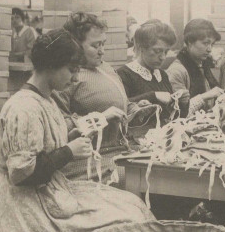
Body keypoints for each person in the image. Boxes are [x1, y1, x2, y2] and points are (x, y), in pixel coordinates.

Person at [0, 29, 154, 232]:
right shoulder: (23, 107)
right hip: (28, 207)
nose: (74, 75)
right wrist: (68, 152)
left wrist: (85, 130)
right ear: (51, 67)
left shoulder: (45, 99)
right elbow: (21, 174)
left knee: (131, 205)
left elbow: (45, 145)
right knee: (117, 223)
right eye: (71, 69)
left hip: (51, 192)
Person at [53, 12, 156, 182]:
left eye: (103, 44)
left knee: (161, 168)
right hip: (89, 162)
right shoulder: (66, 76)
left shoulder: (106, 68)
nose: (102, 51)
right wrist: (100, 118)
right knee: (149, 177)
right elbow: (57, 127)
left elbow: (115, 105)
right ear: (75, 45)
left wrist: (135, 109)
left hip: (119, 152)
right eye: (95, 45)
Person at [116, 20, 178, 124]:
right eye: (157, 51)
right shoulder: (123, 74)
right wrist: (152, 96)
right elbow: (121, 109)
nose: (163, 57)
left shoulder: (162, 74)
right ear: (141, 48)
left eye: (166, 52)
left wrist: (181, 102)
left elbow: (171, 116)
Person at [164, 19, 224, 117]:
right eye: (205, 43)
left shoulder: (202, 65)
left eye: (212, 44)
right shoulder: (177, 71)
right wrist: (205, 96)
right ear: (190, 42)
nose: (209, 49)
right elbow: (176, 113)